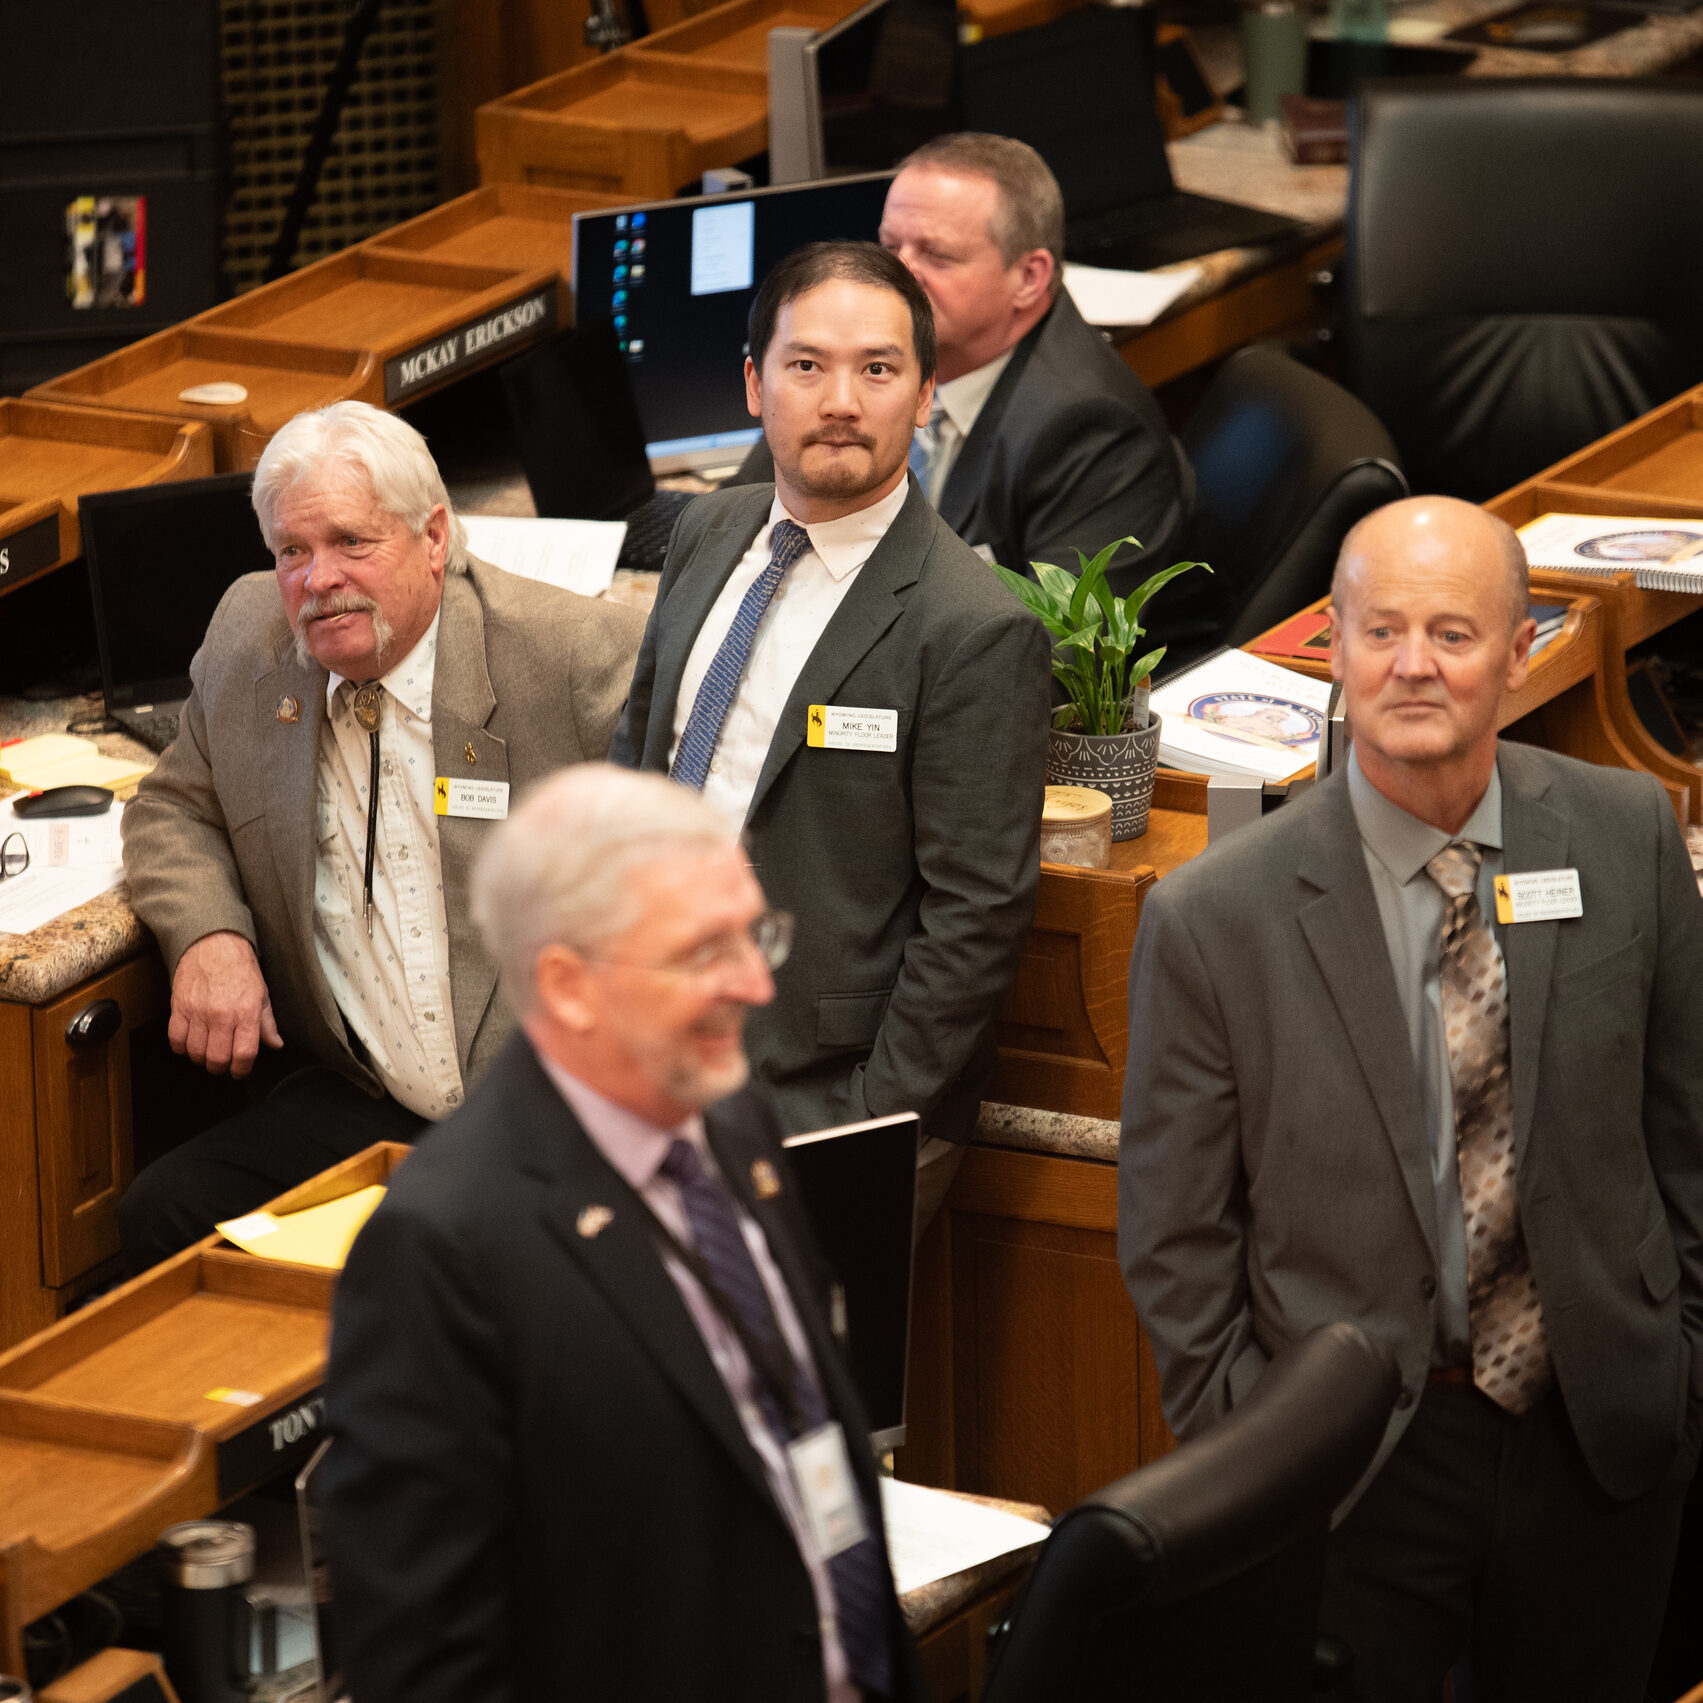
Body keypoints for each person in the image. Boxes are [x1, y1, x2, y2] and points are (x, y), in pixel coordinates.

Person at [1119, 495, 1703, 1701]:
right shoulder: (1212, 914)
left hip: (1596, 1431)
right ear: (1331, 645)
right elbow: (1175, 1234)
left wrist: (1681, 1364)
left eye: (1450, 630)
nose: (1412, 665)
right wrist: (1256, 1445)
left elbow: (1684, 1133)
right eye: (1379, 630)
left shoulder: (1626, 832)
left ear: (1518, 648)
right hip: (1351, 1460)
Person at [321, 764, 922, 1703]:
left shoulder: (734, 1122)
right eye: (703, 951)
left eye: (754, 934)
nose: (757, 982)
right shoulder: (443, 1249)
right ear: (569, 985)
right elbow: (426, 1663)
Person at [118, 401, 646, 1268]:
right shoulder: (252, 638)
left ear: (435, 536)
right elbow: (172, 804)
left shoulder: (577, 660)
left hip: (547, 1112)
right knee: (164, 1215)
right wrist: (209, 934)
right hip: (370, 1097)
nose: (317, 578)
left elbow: (707, 883)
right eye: (293, 550)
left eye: (351, 542)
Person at [611, 240, 1050, 1226]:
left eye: (878, 369)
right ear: (752, 384)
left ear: (926, 393)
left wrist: (864, 1121)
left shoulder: (972, 626)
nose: (841, 400)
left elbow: (976, 915)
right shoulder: (704, 532)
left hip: (818, 1099)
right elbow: (638, 759)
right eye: (806, 365)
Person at [734, 134, 1191, 596]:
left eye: (937, 255)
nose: (899, 276)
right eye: (891, 247)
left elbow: (1050, 652)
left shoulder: (1093, 430)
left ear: (1028, 278)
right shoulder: (871, 359)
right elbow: (738, 520)